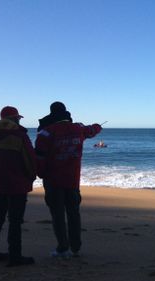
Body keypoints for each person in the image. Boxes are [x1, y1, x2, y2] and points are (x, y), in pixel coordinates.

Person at [35, 102, 102, 258]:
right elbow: (92, 130)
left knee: (57, 215)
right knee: (73, 214)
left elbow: (39, 158)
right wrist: (98, 126)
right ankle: (76, 247)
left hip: (53, 181)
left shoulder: (45, 133)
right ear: (66, 113)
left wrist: (40, 174)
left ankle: (63, 248)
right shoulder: (78, 129)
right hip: (72, 181)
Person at [0, 106, 36, 267]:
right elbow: (30, 161)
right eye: (18, 118)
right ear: (14, 119)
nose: (19, 120)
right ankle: (15, 256)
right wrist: (31, 177)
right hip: (17, 185)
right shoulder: (20, 137)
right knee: (15, 221)